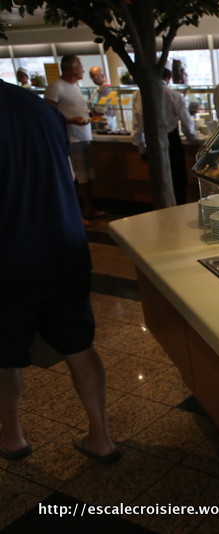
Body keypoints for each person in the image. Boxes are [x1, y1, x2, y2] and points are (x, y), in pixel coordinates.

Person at [0, 80, 120, 464]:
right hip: (63, 246)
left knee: (4, 356)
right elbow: (67, 176)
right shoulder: (40, 108)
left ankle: (13, 437)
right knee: (78, 344)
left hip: (8, 255)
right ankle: (101, 438)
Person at [44, 54, 102, 222]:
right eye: (81, 67)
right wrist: (71, 121)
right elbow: (49, 114)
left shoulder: (75, 87)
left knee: (87, 176)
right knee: (78, 177)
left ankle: (89, 210)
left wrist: (91, 115)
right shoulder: (56, 87)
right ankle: (77, 214)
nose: (83, 70)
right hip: (71, 139)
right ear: (73, 69)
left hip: (84, 137)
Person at [131, 68, 198, 205]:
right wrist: (193, 139)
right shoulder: (173, 94)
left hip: (150, 141)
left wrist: (141, 148)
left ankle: (161, 211)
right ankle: (178, 210)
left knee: (158, 181)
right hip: (171, 141)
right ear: (168, 77)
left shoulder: (138, 95)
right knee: (178, 180)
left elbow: (137, 125)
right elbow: (186, 122)